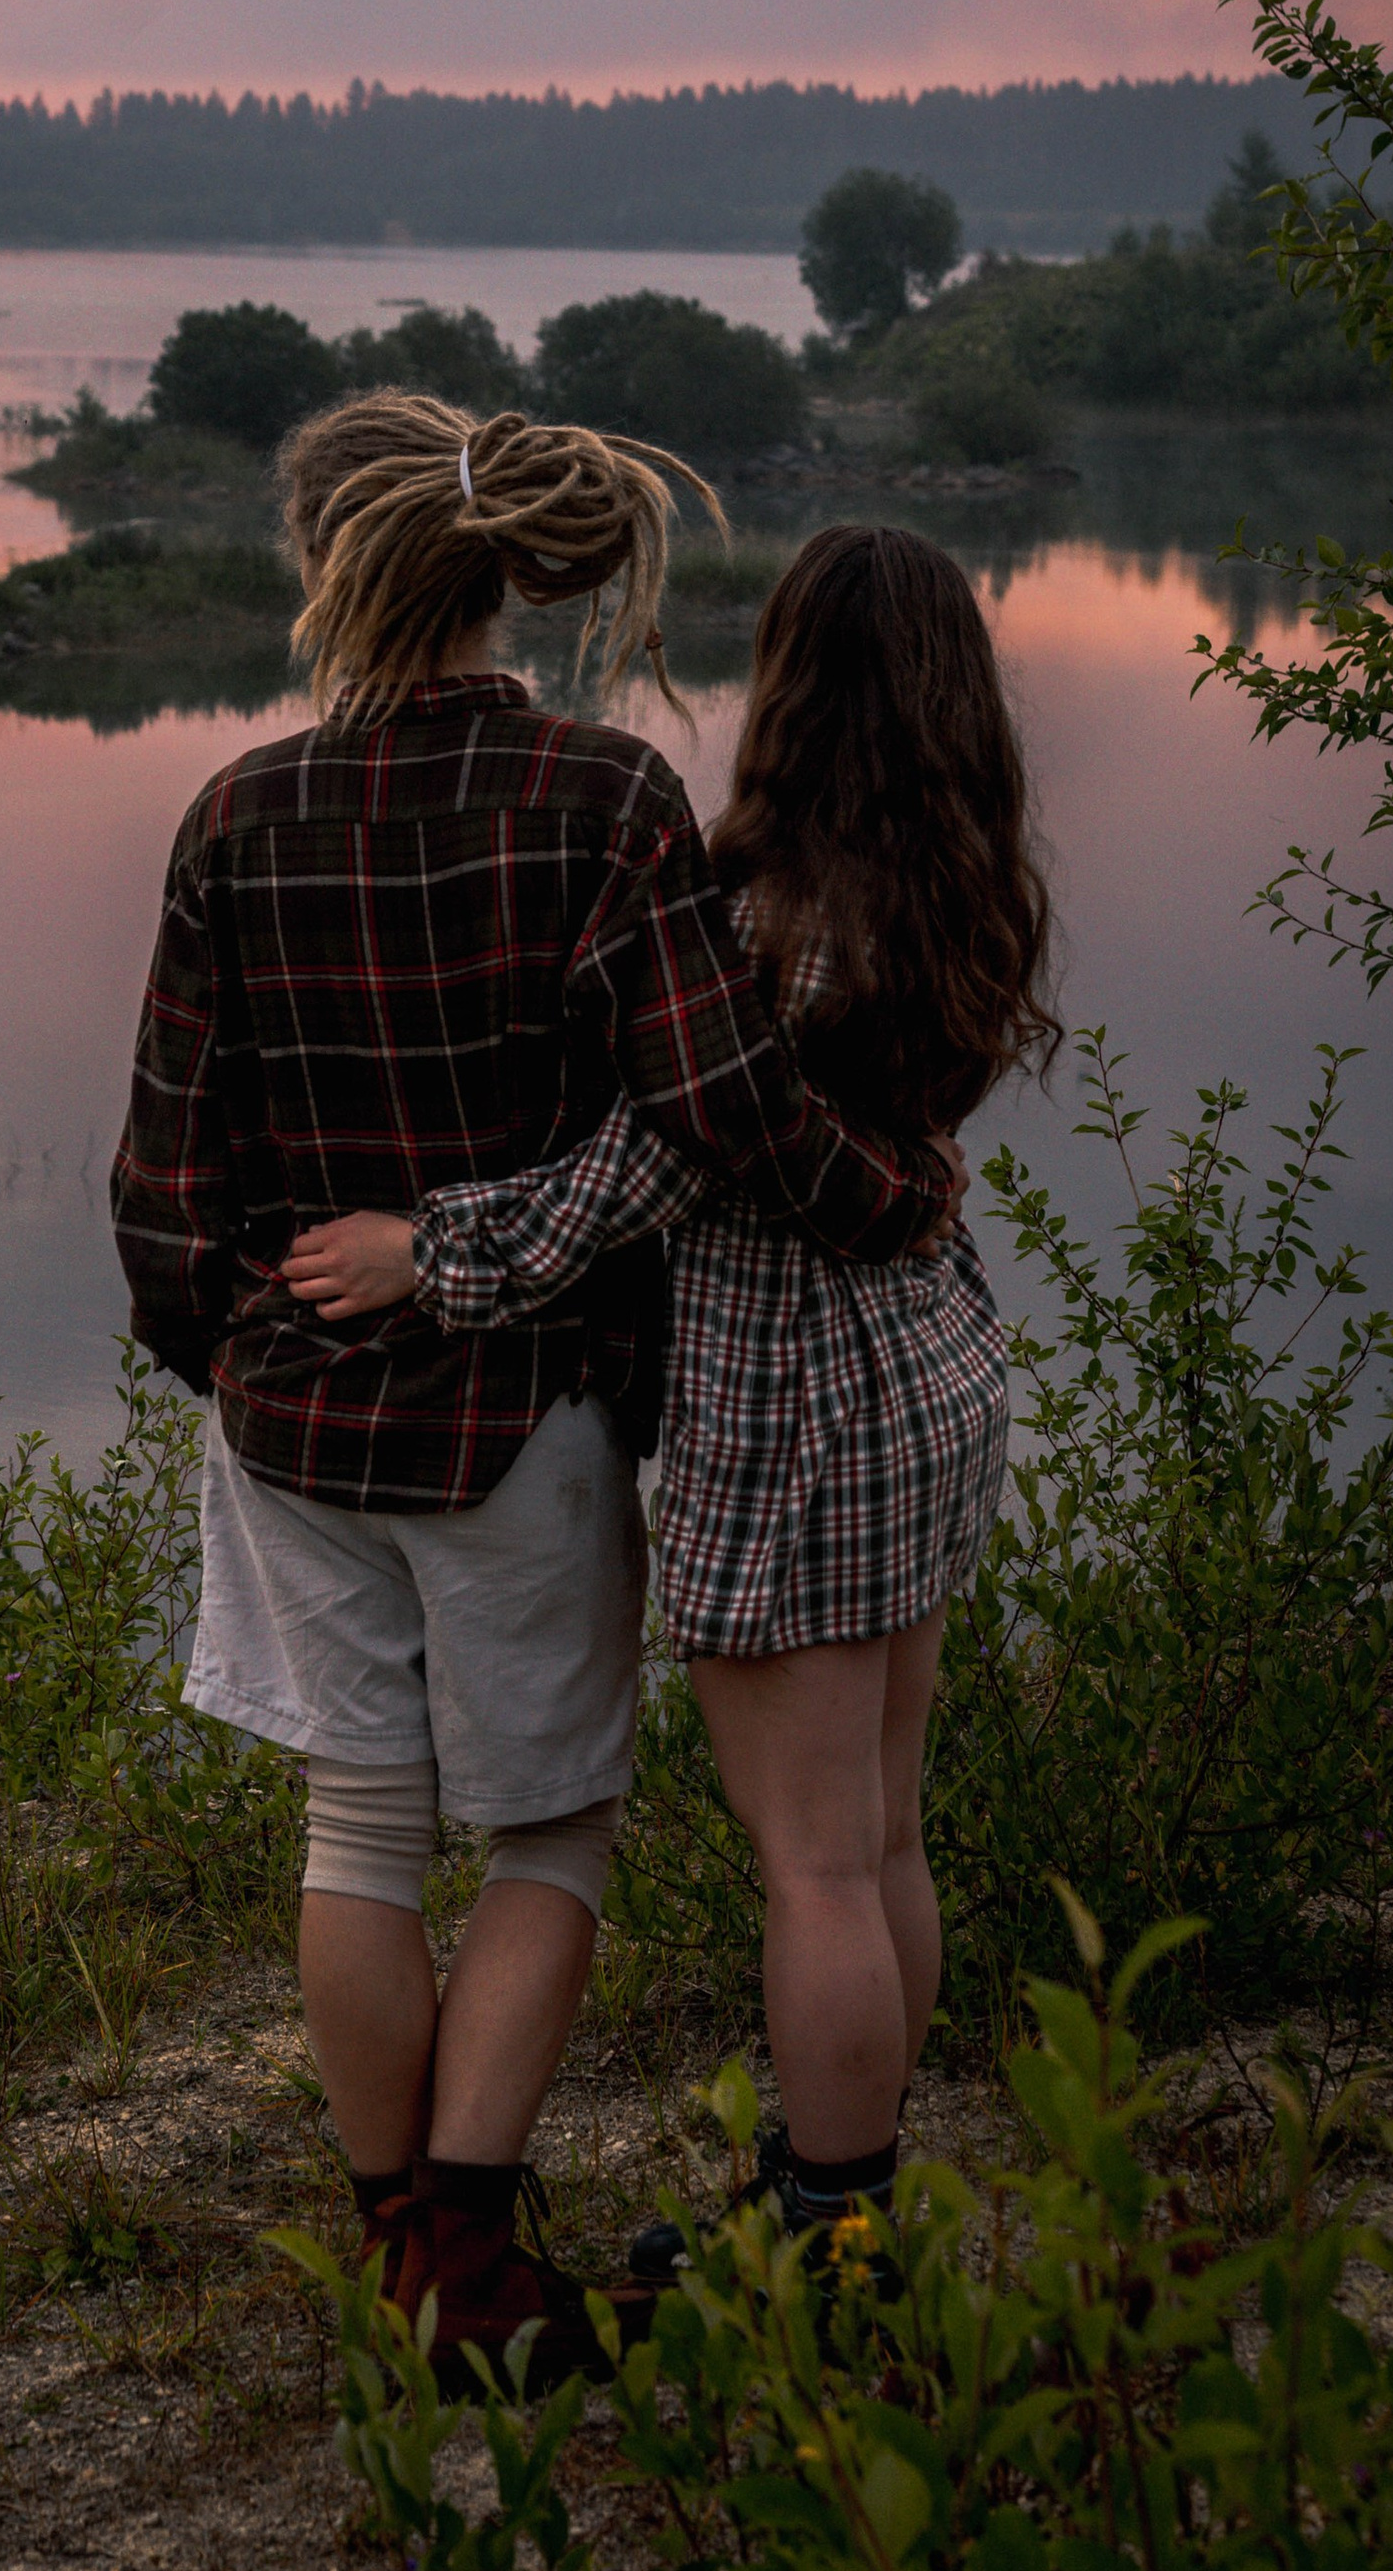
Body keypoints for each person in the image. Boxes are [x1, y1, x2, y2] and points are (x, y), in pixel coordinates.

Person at [111, 406, 961, 2390]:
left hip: (292, 1416)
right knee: (550, 1836)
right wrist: (889, 1193)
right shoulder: (600, 800)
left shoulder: (232, 811)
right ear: (507, 575)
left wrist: (239, 1358)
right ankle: (471, 2252)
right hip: (518, 1422)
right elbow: (713, 1104)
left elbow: (169, 1178)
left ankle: (396, 2240)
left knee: (355, 1825)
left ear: (347, 573)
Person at [282, 523, 1057, 2283]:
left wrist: (438, 1253)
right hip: (926, 1364)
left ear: (789, 684)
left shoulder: (762, 918)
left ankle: (827, 2241)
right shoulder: (964, 885)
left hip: (791, 1404)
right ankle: (840, 2190)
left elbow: (656, 1162)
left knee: (820, 1869)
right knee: (884, 1830)